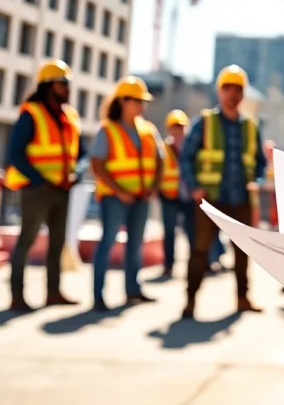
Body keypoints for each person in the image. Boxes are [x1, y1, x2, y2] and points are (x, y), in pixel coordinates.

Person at [179, 64, 268, 318]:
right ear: (220, 92)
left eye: (238, 89)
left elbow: (261, 163)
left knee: (242, 253)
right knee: (199, 251)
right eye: (228, 88)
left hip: (241, 199)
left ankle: (242, 298)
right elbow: (186, 157)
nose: (233, 94)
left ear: (243, 94)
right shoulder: (204, 123)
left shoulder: (250, 127)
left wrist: (258, 181)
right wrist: (194, 187)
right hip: (210, 199)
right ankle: (190, 301)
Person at [4, 60, 87, 311]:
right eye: (62, 84)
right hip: (37, 190)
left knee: (57, 243)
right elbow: (15, 153)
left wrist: (77, 174)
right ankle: (17, 296)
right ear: (48, 85)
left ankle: (53, 293)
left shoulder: (70, 115)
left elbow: (81, 154)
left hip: (63, 190)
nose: (67, 89)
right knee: (26, 242)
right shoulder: (31, 113)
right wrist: (40, 180)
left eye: (68, 84)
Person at [89, 76, 164, 311]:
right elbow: (97, 165)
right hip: (115, 198)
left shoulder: (148, 130)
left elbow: (160, 160)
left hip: (141, 197)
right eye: (137, 101)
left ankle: (133, 290)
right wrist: (119, 191)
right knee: (108, 243)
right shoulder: (107, 130)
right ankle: (98, 296)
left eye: (144, 101)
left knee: (135, 245)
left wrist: (154, 186)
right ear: (123, 101)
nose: (142, 106)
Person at [159, 109, 195, 278]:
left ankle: (195, 264)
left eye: (181, 126)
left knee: (192, 232)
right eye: (174, 126)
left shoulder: (191, 147)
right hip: (169, 195)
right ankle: (168, 265)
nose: (178, 130)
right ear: (169, 128)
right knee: (169, 232)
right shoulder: (163, 148)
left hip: (188, 196)